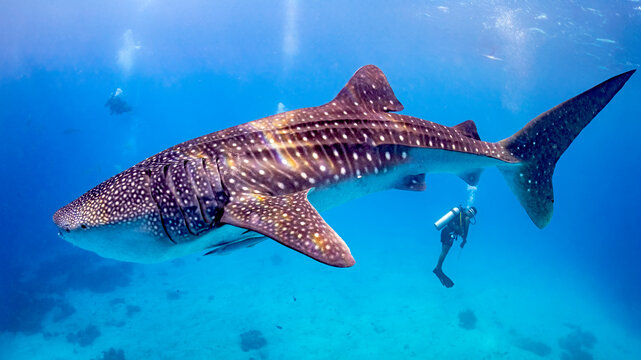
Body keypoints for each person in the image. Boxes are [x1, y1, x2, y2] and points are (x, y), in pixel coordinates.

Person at [433, 206, 476, 288]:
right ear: (473, 215)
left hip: (445, 231)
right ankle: (438, 268)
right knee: (444, 252)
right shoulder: (466, 219)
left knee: (444, 252)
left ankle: (438, 268)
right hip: (449, 234)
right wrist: (464, 240)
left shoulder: (461, 214)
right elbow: (465, 232)